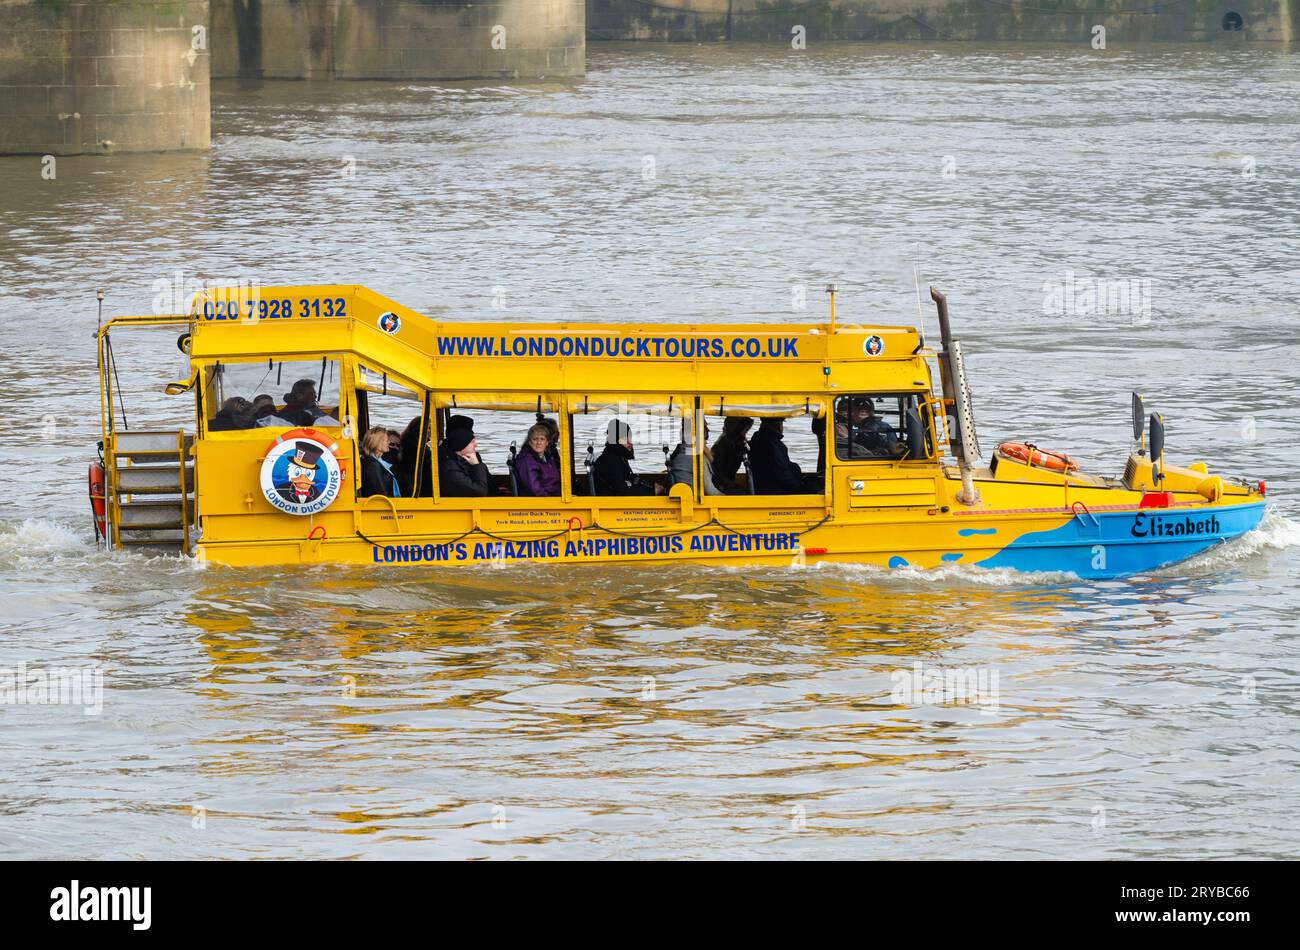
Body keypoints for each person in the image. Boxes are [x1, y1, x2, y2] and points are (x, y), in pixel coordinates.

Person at [748, 417, 821, 494]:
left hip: (767, 487)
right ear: (777, 426)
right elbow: (782, 474)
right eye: (781, 424)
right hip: (775, 491)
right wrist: (800, 488)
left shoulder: (759, 439)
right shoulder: (771, 445)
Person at [594, 420, 664, 496]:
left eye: (630, 438)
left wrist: (652, 486)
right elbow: (624, 492)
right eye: (625, 439)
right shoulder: (609, 462)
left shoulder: (618, 458)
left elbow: (631, 480)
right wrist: (652, 492)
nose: (630, 442)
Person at [668, 421, 722, 496]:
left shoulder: (681, 451)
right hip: (696, 502)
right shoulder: (697, 457)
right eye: (705, 426)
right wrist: (730, 500)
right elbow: (710, 492)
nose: (708, 430)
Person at [438, 426, 491, 497]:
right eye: (472, 442)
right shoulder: (451, 470)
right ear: (462, 445)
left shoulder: (461, 461)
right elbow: (481, 492)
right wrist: (476, 465)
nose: (476, 445)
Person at [515, 422, 561, 497]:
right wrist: (553, 500)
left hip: (556, 496)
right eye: (535, 439)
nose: (538, 442)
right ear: (529, 442)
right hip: (541, 502)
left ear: (547, 442)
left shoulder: (547, 457)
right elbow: (535, 490)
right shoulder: (526, 460)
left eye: (542, 439)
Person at [710, 416, 752, 493]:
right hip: (720, 486)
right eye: (744, 431)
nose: (745, 436)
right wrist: (732, 484)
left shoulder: (735, 444)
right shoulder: (721, 447)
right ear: (736, 431)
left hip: (727, 482)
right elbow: (717, 474)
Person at [358, 426, 401, 498]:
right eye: (387, 440)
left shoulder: (375, 461)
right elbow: (383, 494)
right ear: (377, 443)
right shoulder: (373, 465)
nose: (389, 442)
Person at [395, 415, 431, 497]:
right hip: (414, 485)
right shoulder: (412, 446)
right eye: (428, 428)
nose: (431, 431)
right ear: (418, 428)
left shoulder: (416, 443)